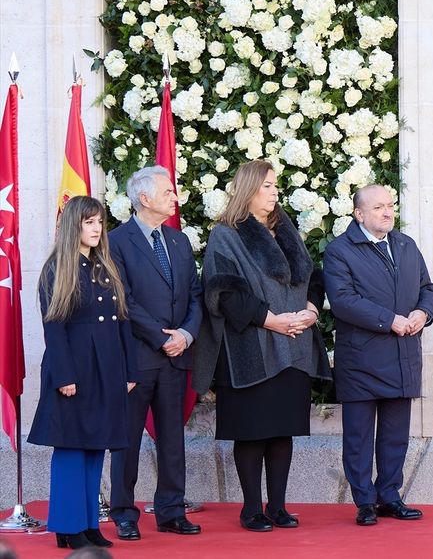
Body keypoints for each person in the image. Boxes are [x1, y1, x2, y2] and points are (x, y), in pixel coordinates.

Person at [192, 160, 331, 532]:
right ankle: (251, 508)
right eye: (268, 186)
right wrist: (272, 320)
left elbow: (313, 277)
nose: (274, 192)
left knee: (282, 429)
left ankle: (279, 506)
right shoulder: (227, 234)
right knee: (252, 430)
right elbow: (223, 293)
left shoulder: (286, 230)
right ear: (249, 189)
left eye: (275, 186)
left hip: (294, 346)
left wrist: (311, 310)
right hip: (250, 347)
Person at [323, 184, 433, 526]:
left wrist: (423, 313)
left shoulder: (405, 245)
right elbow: (342, 300)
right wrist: (389, 320)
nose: (387, 212)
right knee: (358, 437)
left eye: (390, 206)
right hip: (361, 360)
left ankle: (390, 496)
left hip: (402, 357)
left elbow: (426, 289)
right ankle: (364, 501)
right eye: (378, 208)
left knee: (395, 435)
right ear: (359, 214)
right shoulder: (340, 251)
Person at [28, 196, 137, 550]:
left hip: (106, 369)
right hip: (74, 369)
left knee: (95, 448)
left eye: (99, 222)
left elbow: (123, 323)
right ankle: (67, 526)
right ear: (74, 224)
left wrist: (129, 369)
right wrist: (64, 377)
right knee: (72, 449)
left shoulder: (104, 266)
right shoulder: (58, 267)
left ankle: (89, 524)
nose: (96, 229)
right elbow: (54, 327)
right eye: (89, 222)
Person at [108, 166, 203, 540]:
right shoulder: (115, 241)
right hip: (137, 357)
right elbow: (122, 299)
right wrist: (161, 337)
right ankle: (124, 512)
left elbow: (195, 294)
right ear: (144, 198)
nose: (174, 198)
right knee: (127, 439)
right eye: (168, 192)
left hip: (177, 357)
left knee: (172, 438)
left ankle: (171, 511)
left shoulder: (178, 241)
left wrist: (185, 334)